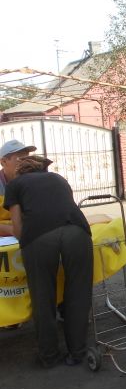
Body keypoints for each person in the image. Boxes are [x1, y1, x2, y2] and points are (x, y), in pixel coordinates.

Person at [4, 155, 93, 368]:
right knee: (78, 292)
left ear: (19, 171)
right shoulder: (58, 179)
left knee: (43, 296)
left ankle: (49, 356)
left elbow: (17, 228)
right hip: (77, 232)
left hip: (39, 238)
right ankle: (78, 353)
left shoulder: (15, 184)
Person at [0, 140, 36, 236]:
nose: (26, 162)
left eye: (27, 158)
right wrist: (13, 230)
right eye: (20, 158)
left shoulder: (33, 181)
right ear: (3, 161)